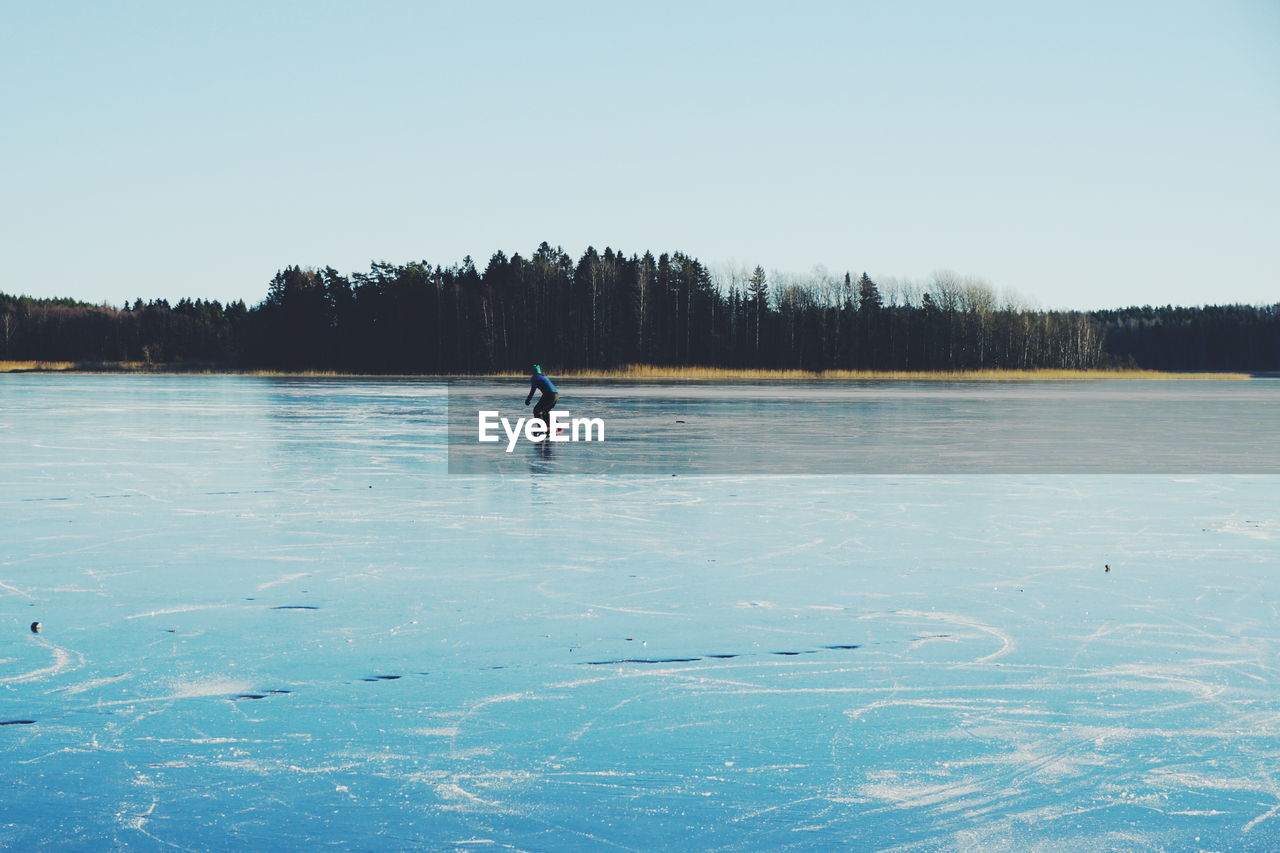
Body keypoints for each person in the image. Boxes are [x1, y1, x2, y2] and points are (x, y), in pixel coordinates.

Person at [524, 364, 559, 430]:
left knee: (537, 410)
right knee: (545, 411)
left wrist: (528, 399)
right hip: (556, 395)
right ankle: (555, 425)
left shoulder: (534, 377)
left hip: (549, 395)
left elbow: (533, 389)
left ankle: (542, 427)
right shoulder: (543, 377)